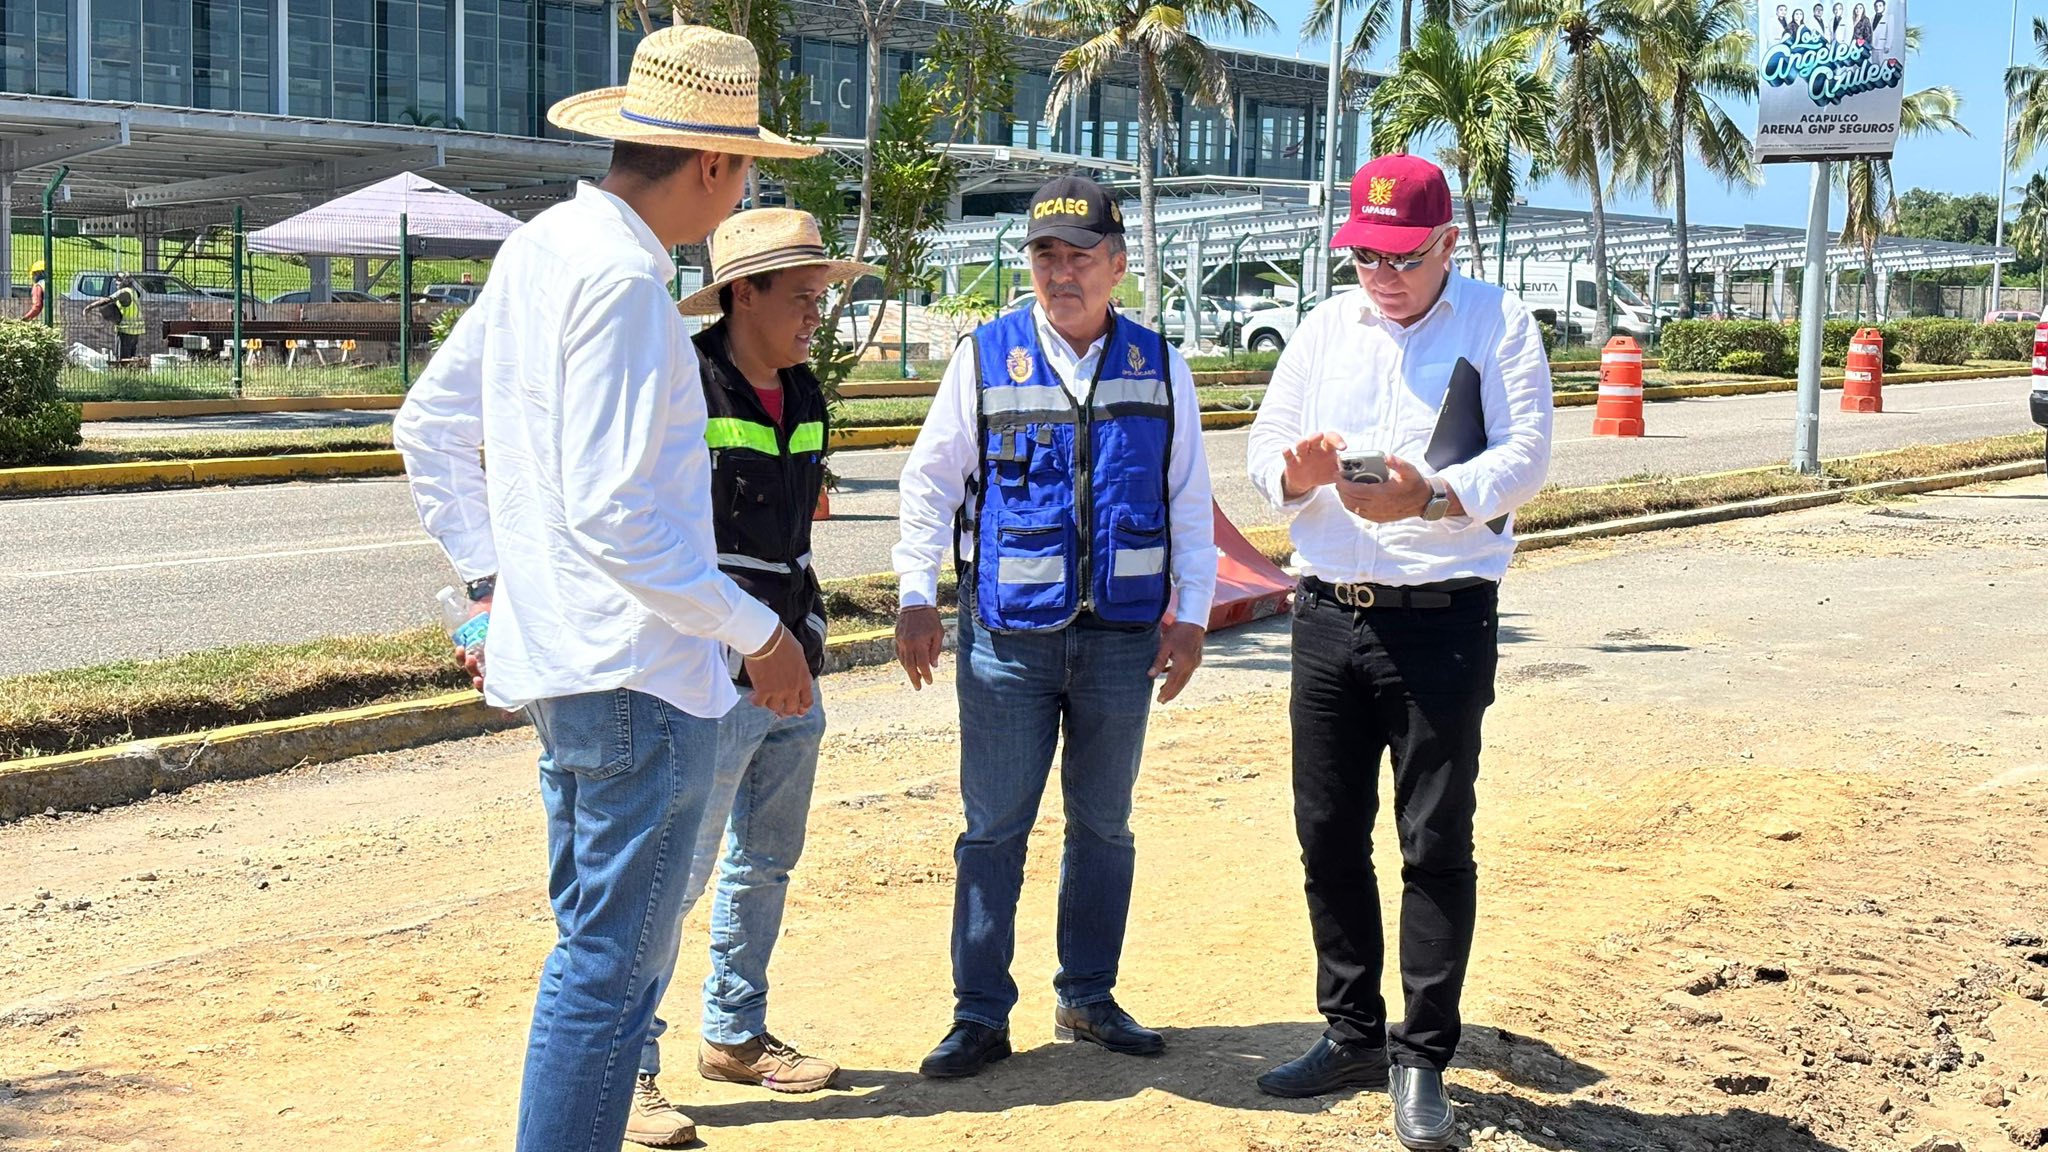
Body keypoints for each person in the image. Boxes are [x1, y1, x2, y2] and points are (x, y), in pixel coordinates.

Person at [390, 25, 821, 1152]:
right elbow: (619, 516)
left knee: (592, 961)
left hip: (569, 670)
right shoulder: (629, 280)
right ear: (715, 165)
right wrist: (756, 633)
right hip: (641, 673)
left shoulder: (544, 247)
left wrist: (493, 585)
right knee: (610, 980)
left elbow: (429, 425)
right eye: (749, 170)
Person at [1244, 153, 1553, 1150]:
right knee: (1326, 831)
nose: (1379, 275)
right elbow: (1263, 445)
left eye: (1401, 257)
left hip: (1438, 619)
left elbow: (1527, 455)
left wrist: (1428, 494)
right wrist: (1290, 478)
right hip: (1328, 613)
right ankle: (1346, 1033)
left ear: (1446, 246)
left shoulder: (1495, 323)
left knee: (1430, 841)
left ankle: (1419, 1058)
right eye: (1363, 255)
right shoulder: (1323, 330)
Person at [893, 174, 1217, 1080]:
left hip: (1119, 638)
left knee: (1103, 826)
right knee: (993, 827)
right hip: (1007, 639)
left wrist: (1190, 616)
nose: (1061, 272)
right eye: (1045, 255)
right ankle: (980, 1014)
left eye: (1080, 256)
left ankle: (1087, 995)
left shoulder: (1161, 366)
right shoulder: (985, 357)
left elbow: (1188, 501)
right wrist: (918, 594)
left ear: (1117, 264)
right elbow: (929, 483)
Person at [620, 209, 879, 1148]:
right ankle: (631, 1070)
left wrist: (802, 635)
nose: (820, 315)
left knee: (764, 860)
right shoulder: (685, 383)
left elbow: (794, 536)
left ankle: (733, 1033)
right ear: (743, 294)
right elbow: (660, 535)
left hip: (790, 666)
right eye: (804, 298)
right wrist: (742, 648)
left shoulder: (806, 392)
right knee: (672, 878)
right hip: (708, 673)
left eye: (824, 297)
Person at [98, 274, 143, 360]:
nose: (116, 282)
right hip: (135, 330)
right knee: (131, 357)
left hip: (126, 329)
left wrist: (88, 308)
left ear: (125, 282)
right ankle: (131, 371)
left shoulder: (124, 292)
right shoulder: (133, 292)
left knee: (123, 358)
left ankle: (124, 372)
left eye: (118, 280)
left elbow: (108, 300)